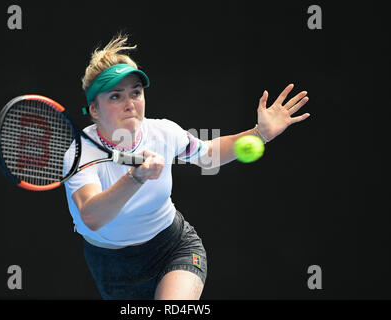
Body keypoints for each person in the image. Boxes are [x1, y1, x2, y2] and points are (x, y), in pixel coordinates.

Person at [62, 34, 310, 300]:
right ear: (94, 109)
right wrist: (136, 177)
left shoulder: (164, 132)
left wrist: (259, 133)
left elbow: (209, 155)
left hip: (173, 247)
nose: (130, 103)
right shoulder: (79, 153)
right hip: (112, 267)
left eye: (136, 92)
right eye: (115, 96)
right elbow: (92, 217)